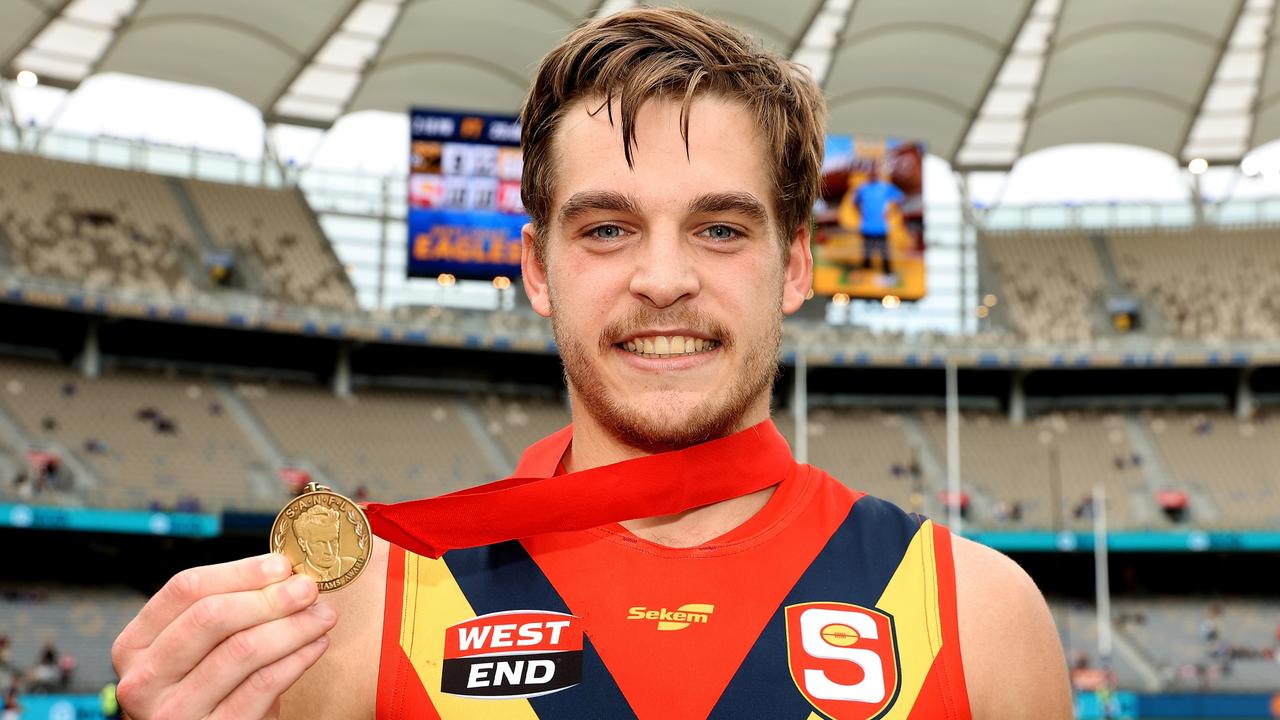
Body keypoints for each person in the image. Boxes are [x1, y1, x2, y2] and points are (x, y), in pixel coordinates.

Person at [111, 8, 1071, 719]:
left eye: (722, 228)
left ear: (796, 267)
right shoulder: (361, 615)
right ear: (536, 267)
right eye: (607, 228)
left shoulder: (973, 613)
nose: (663, 279)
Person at [854, 161, 905, 276]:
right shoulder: (863, 189)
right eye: (870, 172)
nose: (872, 174)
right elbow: (856, 202)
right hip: (866, 226)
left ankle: (888, 274)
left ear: (878, 173)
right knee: (867, 252)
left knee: (884, 252)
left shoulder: (885, 187)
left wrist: (892, 211)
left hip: (881, 226)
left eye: (874, 172)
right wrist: (861, 211)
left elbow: (900, 197)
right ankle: (866, 274)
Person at [290, 505, 358, 582]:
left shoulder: (351, 566)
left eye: (333, 541)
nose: (329, 551)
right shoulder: (294, 573)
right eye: (320, 542)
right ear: (302, 544)